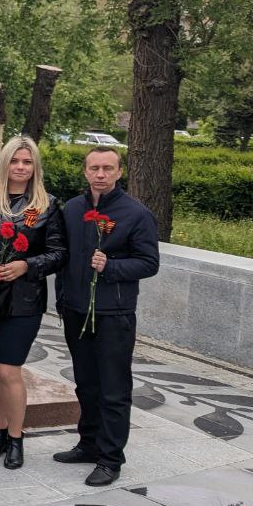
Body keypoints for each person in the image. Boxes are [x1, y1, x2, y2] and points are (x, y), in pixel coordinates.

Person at [54, 145, 159, 486]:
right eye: (94, 168)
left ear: (118, 172)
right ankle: (88, 444)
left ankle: (110, 457)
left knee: (113, 388)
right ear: (85, 172)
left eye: (108, 168)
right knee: (86, 383)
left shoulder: (135, 213)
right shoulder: (71, 209)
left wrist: (111, 266)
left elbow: (149, 262)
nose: (100, 174)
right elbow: (63, 255)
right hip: (76, 310)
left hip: (114, 314)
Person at [0, 135, 67, 469]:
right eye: (15, 161)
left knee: (9, 369)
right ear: (4, 163)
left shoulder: (47, 204)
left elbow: (58, 254)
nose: (20, 167)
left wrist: (26, 265)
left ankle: (17, 438)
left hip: (23, 300)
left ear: (34, 166)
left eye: (27, 162)